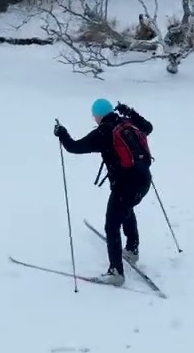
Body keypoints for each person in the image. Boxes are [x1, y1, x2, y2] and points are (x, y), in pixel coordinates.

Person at [53, 98, 154, 286]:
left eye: (95, 116)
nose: (95, 119)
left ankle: (116, 272)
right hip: (144, 181)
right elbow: (148, 127)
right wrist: (129, 111)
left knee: (112, 225)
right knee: (126, 209)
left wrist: (62, 133)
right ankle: (132, 251)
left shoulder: (103, 133)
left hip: (125, 185)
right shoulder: (127, 123)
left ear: (99, 115)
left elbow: (73, 147)